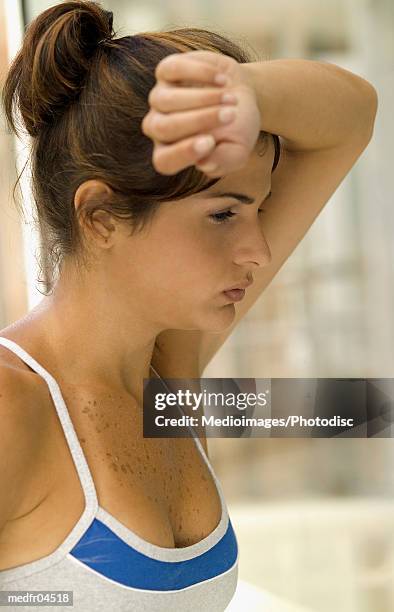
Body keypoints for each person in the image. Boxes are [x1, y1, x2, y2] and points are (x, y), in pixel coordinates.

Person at [0, 1, 377, 610]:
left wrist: (245, 91)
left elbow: (353, 114)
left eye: (258, 209)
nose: (257, 249)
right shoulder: (12, 406)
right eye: (223, 214)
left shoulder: (166, 377)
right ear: (100, 216)